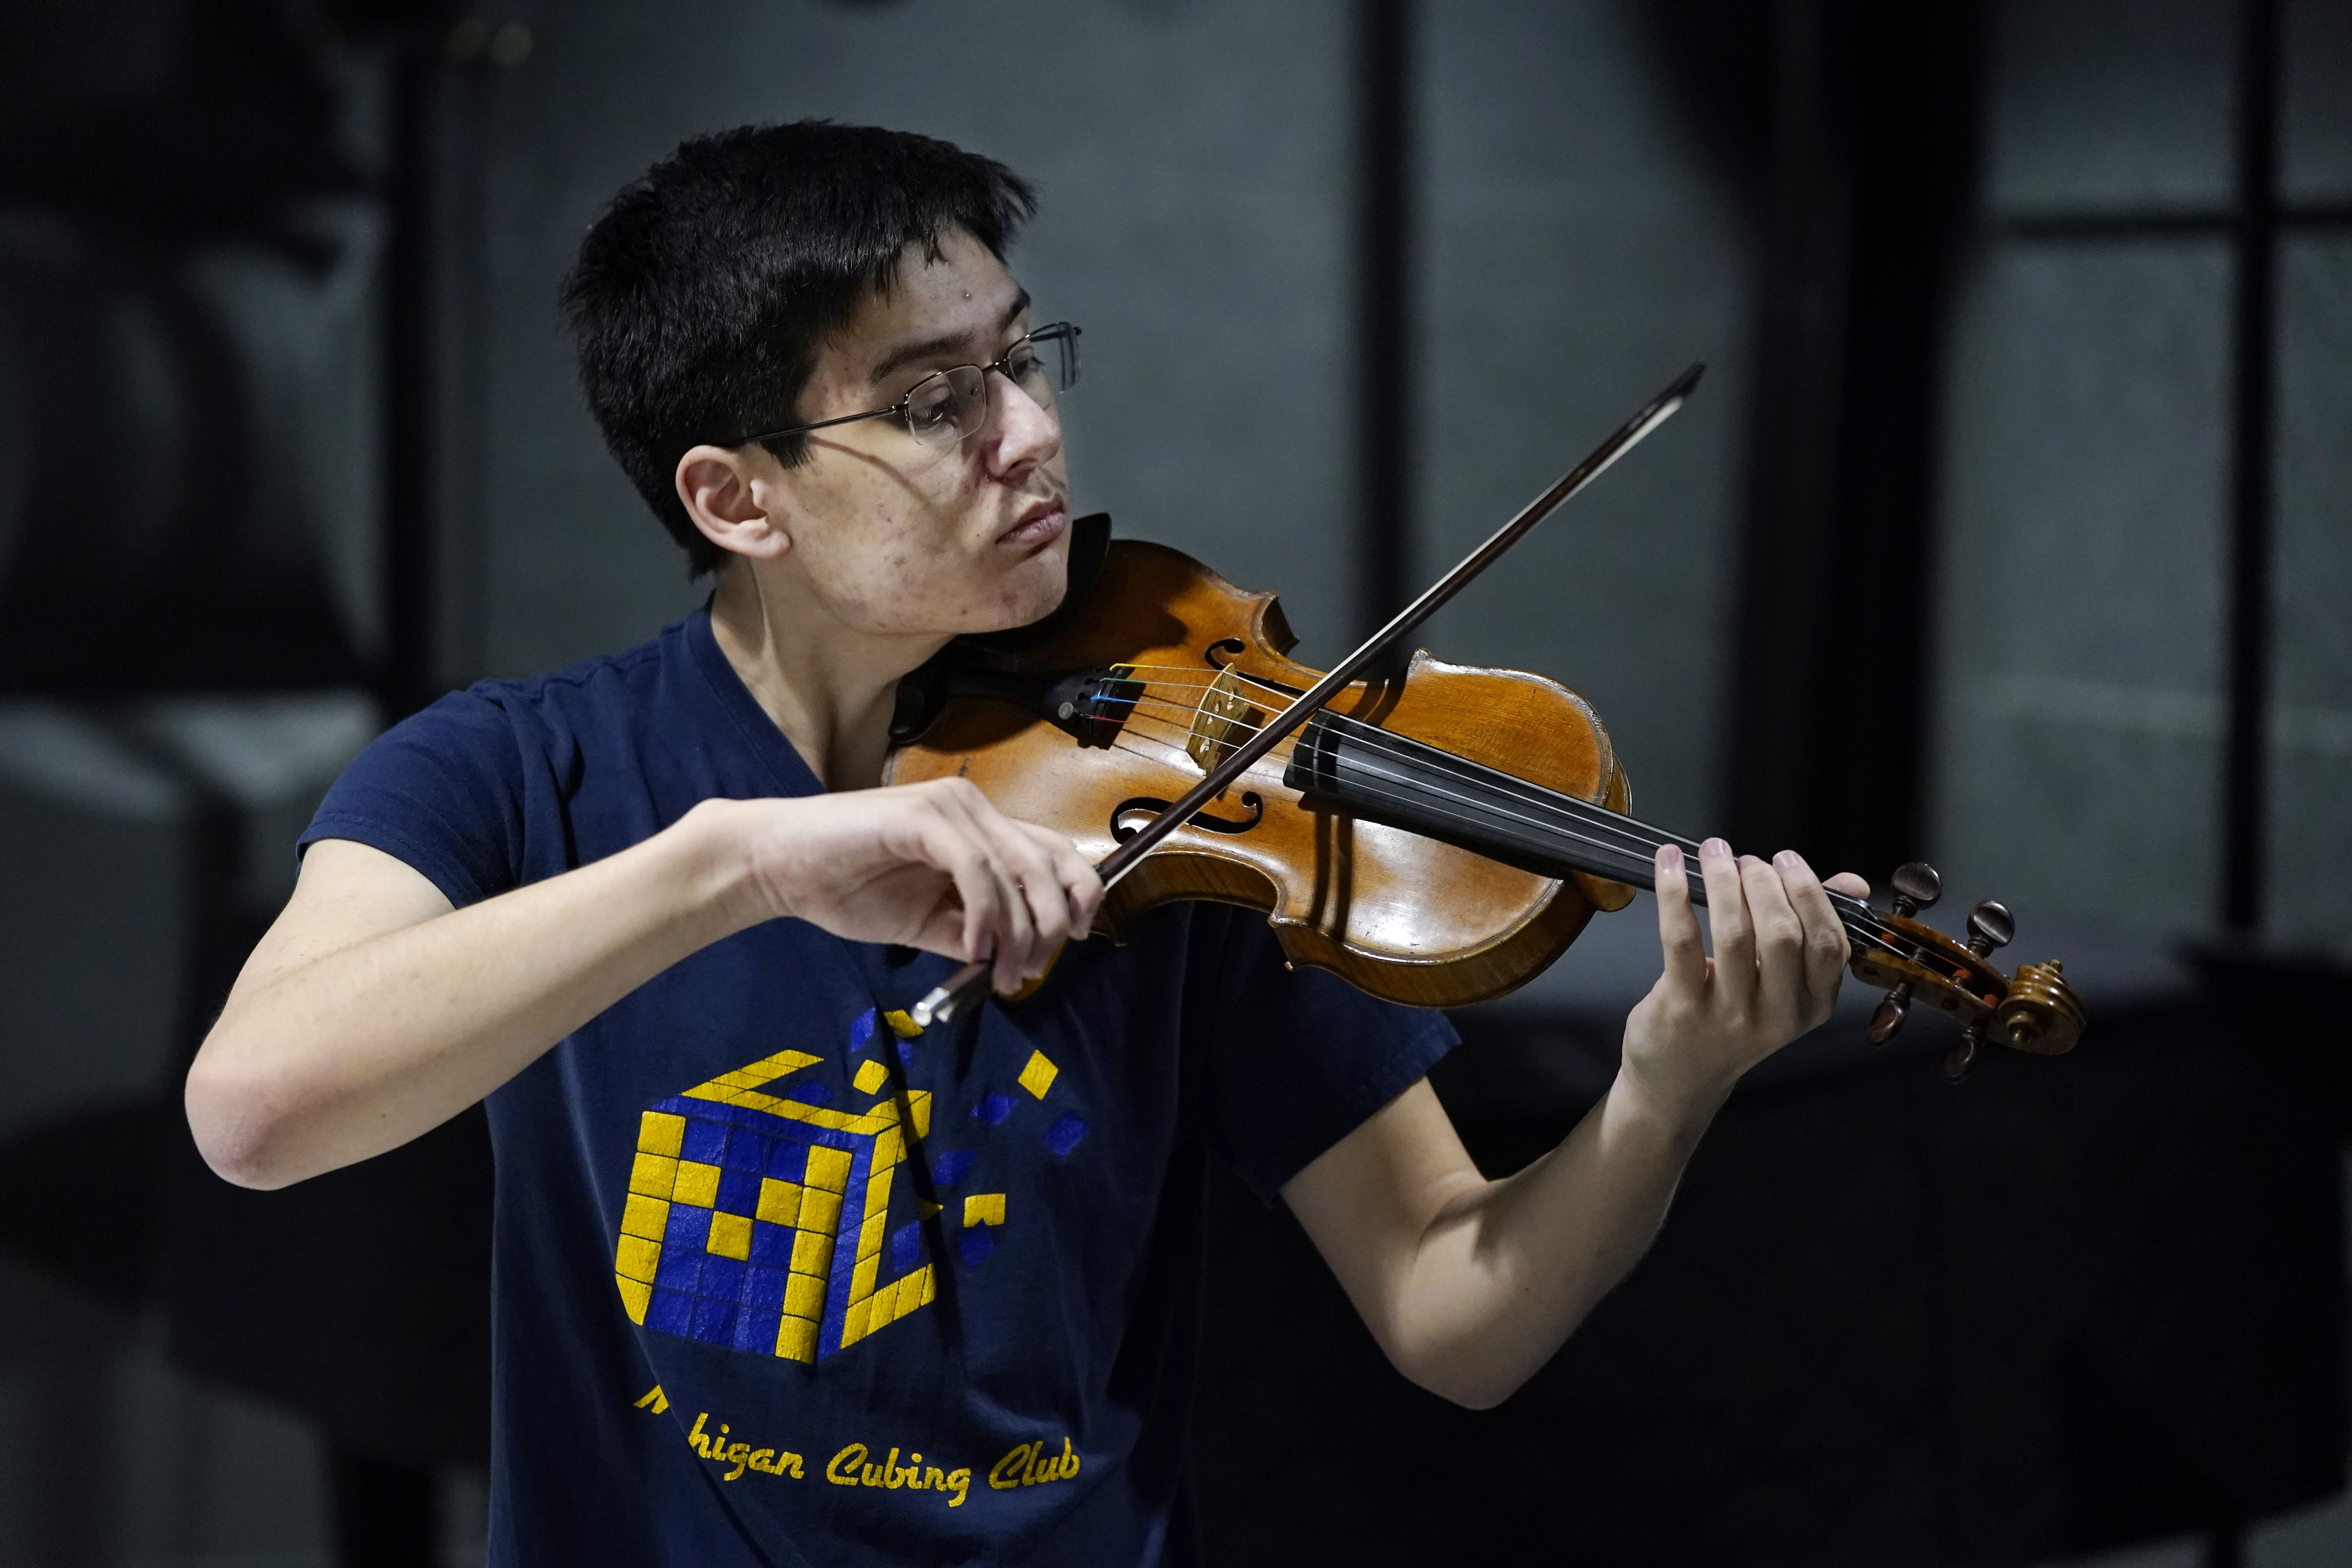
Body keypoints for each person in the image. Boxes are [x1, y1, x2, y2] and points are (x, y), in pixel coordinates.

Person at [185, 121, 1869, 1564]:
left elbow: (1455, 1319)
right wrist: (739, 863)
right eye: (933, 405)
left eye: (1020, 358)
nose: (1030, 434)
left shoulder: (1200, 812)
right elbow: (257, 1109)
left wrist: (1665, 1090)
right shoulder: (511, 775)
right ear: (735, 498)